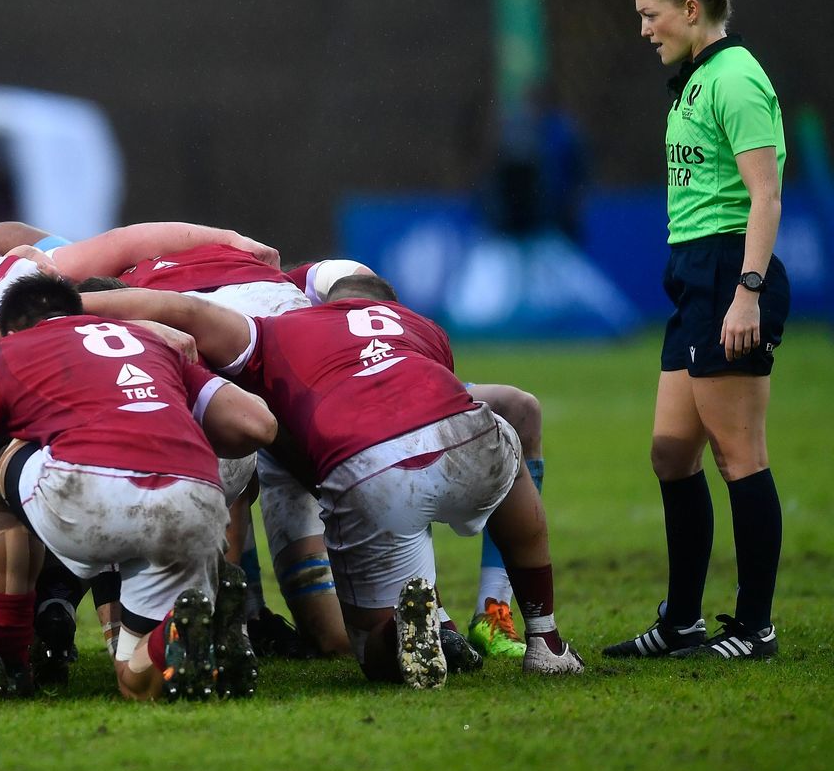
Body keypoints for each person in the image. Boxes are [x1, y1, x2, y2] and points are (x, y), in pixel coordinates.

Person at [78, 276, 585, 686]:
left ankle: (398, 635)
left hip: (372, 465)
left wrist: (71, 307)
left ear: (319, 304)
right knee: (504, 448)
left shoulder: (282, 328)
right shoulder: (423, 326)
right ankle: (545, 640)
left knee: (367, 650)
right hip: (463, 434)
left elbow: (183, 310)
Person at [0, 274, 280, 701]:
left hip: (88, 495)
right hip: (193, 499)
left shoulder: (8, 352)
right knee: (135, 681)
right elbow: (257, 425)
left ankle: (9, 651)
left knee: (9, 457)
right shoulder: (150, 342)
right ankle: (175, 637)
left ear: (11, 330)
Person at [606, 0, 789, 661]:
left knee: (740, 456)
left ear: (689, 9)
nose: (644, 30)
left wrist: (748, 292)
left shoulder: (735, 77)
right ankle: (681, 622)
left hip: (728, 274)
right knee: (670, 452)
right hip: (692, 276)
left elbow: (765, 196)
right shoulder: (694, 77)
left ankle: (754, 627)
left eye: (650, 15)